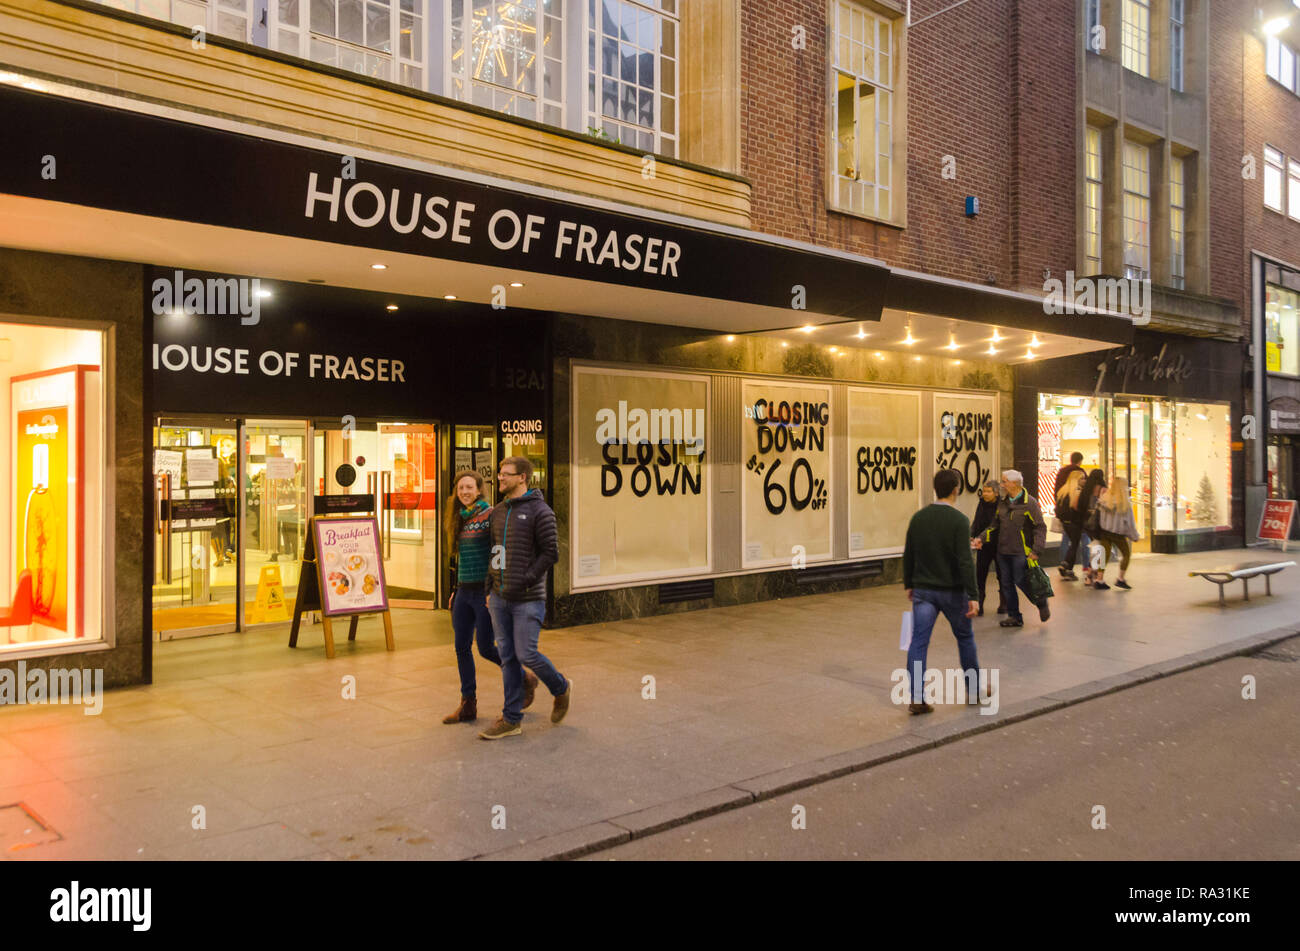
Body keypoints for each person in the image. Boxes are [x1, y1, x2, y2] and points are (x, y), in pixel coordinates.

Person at [479, 456, 572, 740]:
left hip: (529, 598)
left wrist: (526, 578)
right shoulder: (498, 512)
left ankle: (560, 687)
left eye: (506, 474)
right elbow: (495, 552)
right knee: (507, 657)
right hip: (499, 597)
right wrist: (489, 588)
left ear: (523, 478)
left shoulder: (540, 511)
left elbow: (550, 554)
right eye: (499, 474)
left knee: (526, 653)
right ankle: (511, 718)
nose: (500, 478)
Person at [441, 470, 537, 725]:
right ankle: (468, 703)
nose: (464, 492)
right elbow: (462, 557)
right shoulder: (457, 517)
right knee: (461, 647)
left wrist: (494, 589)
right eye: (460, 488)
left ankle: (524, 678)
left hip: (484, 593)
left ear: (479, 489)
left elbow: (499, 551)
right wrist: (455, 589)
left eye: (469, 487)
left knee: (485, 647)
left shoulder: (491, 514)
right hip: (463, 591)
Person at [902, 469, 983, 715]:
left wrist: (909, 583)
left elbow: (910, 553)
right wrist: (973, 595)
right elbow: (965, 561)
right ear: (956, 489)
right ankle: (975, 689)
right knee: (965, 638)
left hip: (924, 591)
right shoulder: (959, 520)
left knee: (918, 642)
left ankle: (917, 696)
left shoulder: (919, 518)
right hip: (952, 592)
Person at [975, 469, 1050, 628]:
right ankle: (1014, 616)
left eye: (1004, 482)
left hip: (1021, 552)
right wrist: (980, 538)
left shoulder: (1029, 503)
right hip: (1003, 551)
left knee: (1022, 581)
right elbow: (994, 525)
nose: (1001, 485)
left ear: (1014, 483)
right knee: (1007, 584)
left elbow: (1040, 527)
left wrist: (1037, 550)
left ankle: (1041, 602)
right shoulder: (1002, 503)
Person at [1093, 475, 1140, 590]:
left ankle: (1099, 579)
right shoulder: (1124, 502)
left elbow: (1098, 516)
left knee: (1104, 555)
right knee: (1126, 554)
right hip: (1118, 534)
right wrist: (1134, 536)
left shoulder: (1104, 499)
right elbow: (1130, 523)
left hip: (1105, 532)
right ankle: (1120, 579)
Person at [969, 479, 1005, 616]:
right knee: (980, 575)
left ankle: (1004, 603)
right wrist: (972, 534)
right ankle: (979, 604)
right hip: (983, 545)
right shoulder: (982, 503)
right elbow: (976, 520)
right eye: (984, 491)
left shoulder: (1002, 505)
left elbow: (996, 526)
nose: (985, 494)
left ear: (996, 493)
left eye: (988, 491)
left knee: (1002, 575)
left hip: (998, 545)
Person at [1053, 451, 1086, 565]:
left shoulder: (1062, 471)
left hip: (1064, 515)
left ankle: (1063, 562)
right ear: (1080, 461)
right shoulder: (1079, 474)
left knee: (1066, 539)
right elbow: (1076, 505)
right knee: (1083, 542)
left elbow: (1056, 491)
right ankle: (1087, 568)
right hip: (1075, 519)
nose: (1084, 480)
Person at [1056, 469, 1087, 581]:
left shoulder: (1063, 491)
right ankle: (1066, 567)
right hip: (1075, 523)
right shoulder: (1077, 491)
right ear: (1076, 480)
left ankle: (1066, 566)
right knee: (1074, 545)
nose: (1084, 480)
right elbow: (1076, 508)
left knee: (1072, 544)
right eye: (1082, 478)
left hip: (1065, 523)